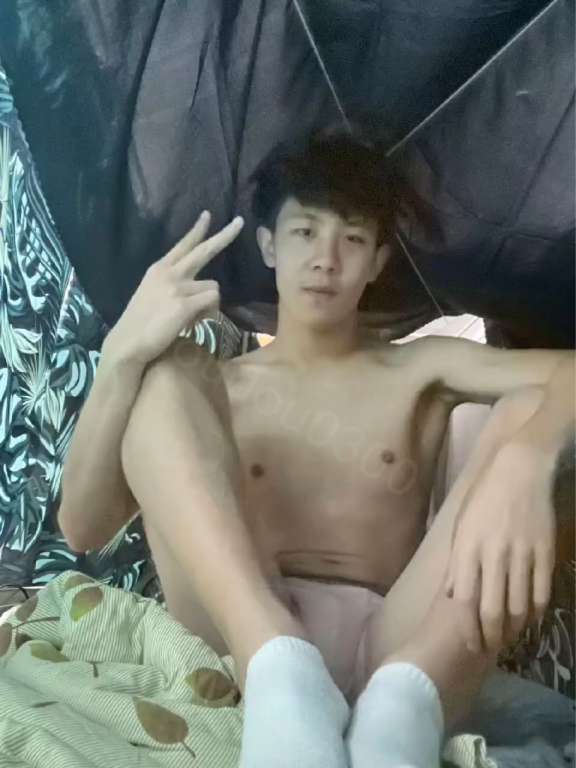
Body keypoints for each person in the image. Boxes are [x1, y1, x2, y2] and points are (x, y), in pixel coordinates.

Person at [57, 132, 575, 768]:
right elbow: (82, 528)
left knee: (527, 410)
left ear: (378, 260)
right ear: (269, 245)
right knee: (163, 371)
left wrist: (527, 462)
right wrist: (121, 354)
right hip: (240, 633)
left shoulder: (421, 368)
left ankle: (403, 706)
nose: (326, 259)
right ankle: (281, 666)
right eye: (305, 232)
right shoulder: (213, 392)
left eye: (352, 239)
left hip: (392, 642)